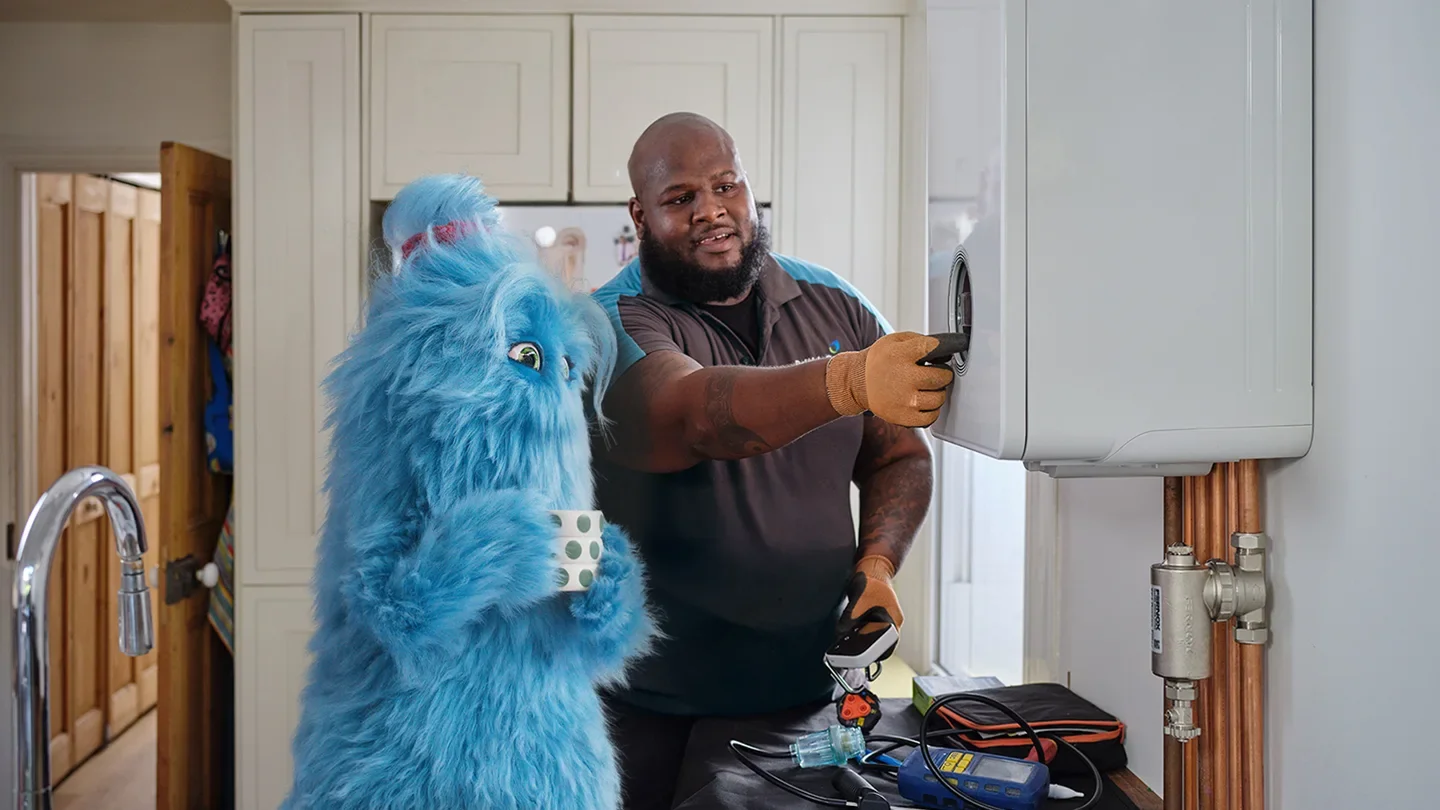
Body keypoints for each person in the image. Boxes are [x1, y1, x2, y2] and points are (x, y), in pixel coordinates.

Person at [589, 112, 954, 809]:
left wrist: (876, 564)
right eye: (681, 198)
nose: (712, 211)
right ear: (639, 215)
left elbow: (897, 454)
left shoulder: (836, 304)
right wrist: (845, 381)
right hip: (648, 708)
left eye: (727, 185)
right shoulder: (609, 321)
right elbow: (696, 415)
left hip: (808, 698)